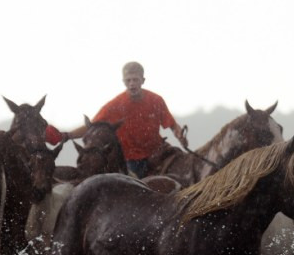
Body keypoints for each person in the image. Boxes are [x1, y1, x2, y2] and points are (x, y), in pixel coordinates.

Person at [46, 61, 188, 178]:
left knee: (184, 169)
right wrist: (67, 135)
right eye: (128, 80)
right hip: (131, 160)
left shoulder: (156, 100)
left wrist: (180, 135)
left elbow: (172, 125)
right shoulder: (115, 106)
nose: (132, 83)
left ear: (142, 80)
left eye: (135, 79)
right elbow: (92, 127)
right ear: (124, 82)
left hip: (158, 153)